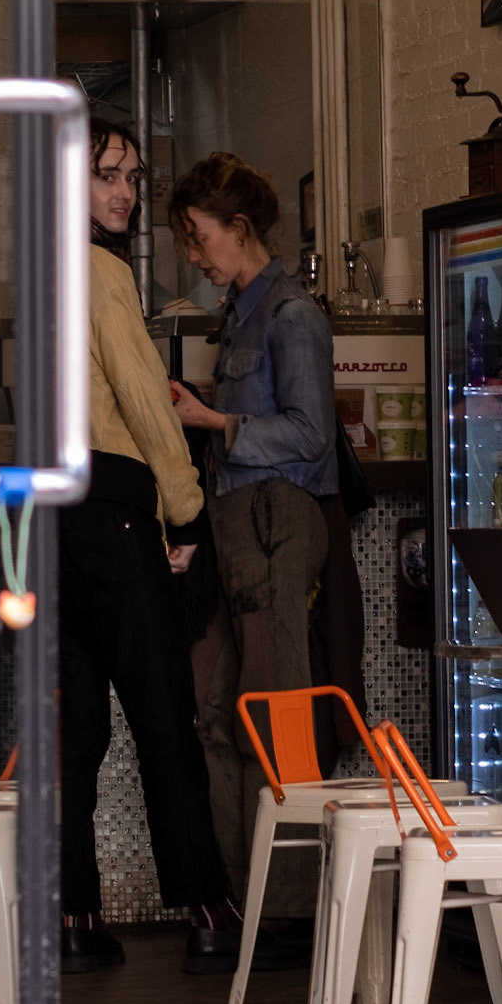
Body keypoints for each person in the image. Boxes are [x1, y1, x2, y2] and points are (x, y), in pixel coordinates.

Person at [57, 116, 247, 977]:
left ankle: (74, 913)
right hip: (116, 514)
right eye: (107, 174)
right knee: (165, 713)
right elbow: (142, 396)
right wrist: (186, 507)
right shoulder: (101, 271)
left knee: (77, 729)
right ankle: (209, 909)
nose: (124, 193)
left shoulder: (36, 271)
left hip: (50, 516)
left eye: (131, 176)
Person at [167, 151, 359, 886]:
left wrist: (214, 420)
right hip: (234, 525)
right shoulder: (240, 315)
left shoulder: (292, 315)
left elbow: (311, 435)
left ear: (239, 227)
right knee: (213, 707)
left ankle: (289, 902)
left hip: (277, 521)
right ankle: (235, 889)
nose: (194, 256)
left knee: (272, 709)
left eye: (199, 237)